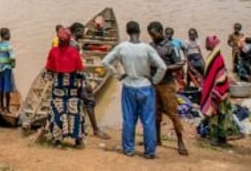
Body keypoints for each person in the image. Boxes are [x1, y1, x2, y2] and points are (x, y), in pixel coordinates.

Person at [102, 21, 166, 159]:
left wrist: (118, 75)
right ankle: (149, 152)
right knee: (148, 121)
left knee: (129, 120)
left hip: (129, 86)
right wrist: (155, 80)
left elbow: (105, 62)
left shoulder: (122, 47)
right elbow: (163, 67)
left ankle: (129, 149)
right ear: (139, 31)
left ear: (127, 32)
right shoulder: (147, 48)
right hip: (145, 87)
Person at [147, 21, 188, 156]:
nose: (152, 37)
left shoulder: (171, 46)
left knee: (173, 113)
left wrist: (164, 68)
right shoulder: (151, 46)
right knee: (155, 112)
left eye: (154, 34)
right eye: (150, 35)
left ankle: (180, 141)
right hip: (154, 83)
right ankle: (157, 139)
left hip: (167, 84)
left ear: (161, 31)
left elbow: (180, 63)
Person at [44, 27, 86, 147]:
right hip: (72, 89)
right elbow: (80, 73)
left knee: (58, 111)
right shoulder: (75, 53)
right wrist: (82, 87)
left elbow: (48, 74)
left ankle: (57, 139)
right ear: (69, 40)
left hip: (58, 89)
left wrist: (49, 77)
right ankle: (78, 140)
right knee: (75, 111)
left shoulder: (53, 52)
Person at [69, 22, 111, 140]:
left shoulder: (68, 42)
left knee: (70, 103)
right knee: (89, 101)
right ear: (77, 31)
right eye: (83, 31)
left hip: (66, 78)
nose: (84, 33)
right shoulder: (74, 45)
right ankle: (95, 130)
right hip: (75, 79)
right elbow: (75, 66)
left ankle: (73, 128)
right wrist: (85, 82)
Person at [200, 36, 240, 146]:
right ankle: (221, 137)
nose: (205, 45)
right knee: (222, 114)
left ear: (212, 45)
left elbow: (220, 76)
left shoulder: (217, 59)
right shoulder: (213, 57)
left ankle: (215, 138)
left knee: (215, 114)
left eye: (207, 43)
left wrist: (215, 91)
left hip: (217, 92)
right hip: (219, 91)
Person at [0, 27, 16, 113]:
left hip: (0, 68)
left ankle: (1, 106)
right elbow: (12, 58)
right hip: (7, 69)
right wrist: (13, 65)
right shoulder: (8, 45)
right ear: (5, 35)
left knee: (1, 87)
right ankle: (7, 108)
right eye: (9, 34)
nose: (10, 35)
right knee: (7, 88)